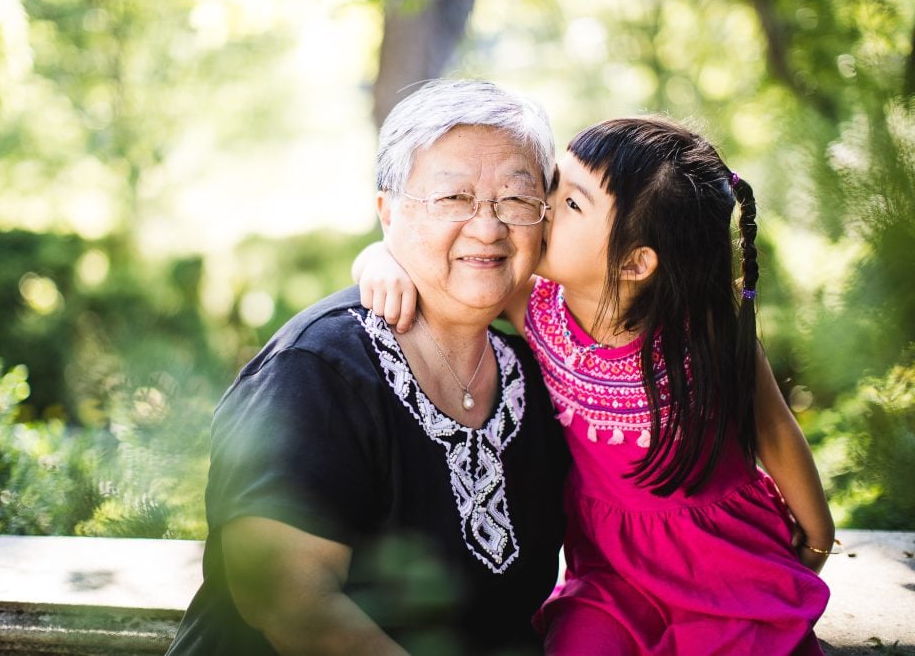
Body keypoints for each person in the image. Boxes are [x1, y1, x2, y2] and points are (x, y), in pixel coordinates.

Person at [355, 116, 835, 655]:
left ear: (634, 262)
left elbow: (772, 429)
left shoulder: (702, 336)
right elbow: (435, 265)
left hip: (723, 564)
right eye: (553, 185)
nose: (542, 206)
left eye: (572, 204)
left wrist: (817, 533)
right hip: (610, 575)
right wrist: (378, 258)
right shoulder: (532, 307)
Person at [165, 79, 570, 656]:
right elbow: (290, 603)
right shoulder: (319, 369)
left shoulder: (535, 373)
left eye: (516, 199)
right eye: (453, 198)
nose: (488, 226)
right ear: (388, 211)